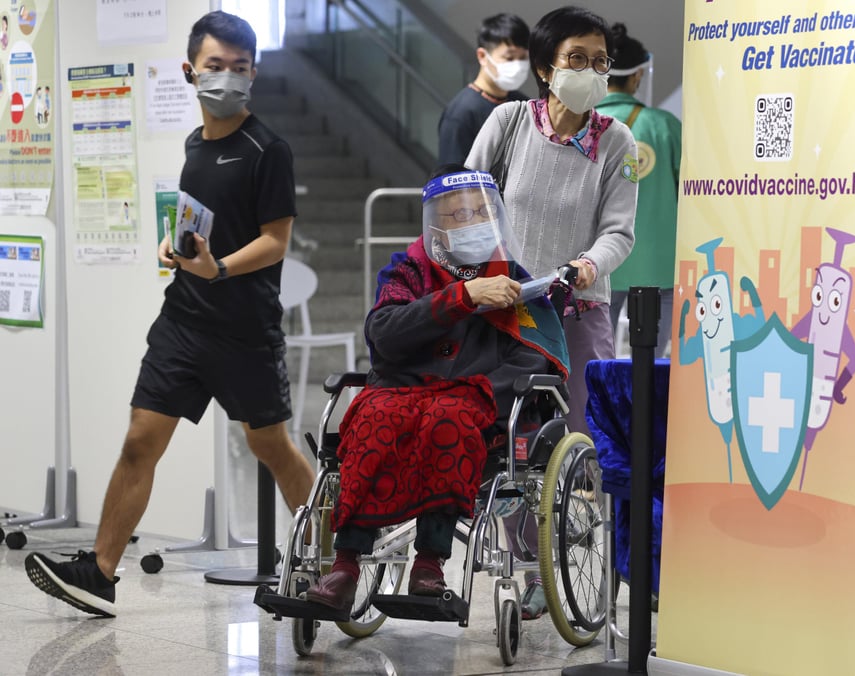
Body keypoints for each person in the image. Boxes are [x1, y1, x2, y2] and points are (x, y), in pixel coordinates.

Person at [24, 10, 315, 618]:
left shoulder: (269, 149)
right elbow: (199, 219)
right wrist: (175, 246)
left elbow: (275, 240)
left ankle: (331, 560)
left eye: (239, 69)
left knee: (272, 447)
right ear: (191, 71)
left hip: (244, 330)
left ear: (253, 74)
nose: (227, 79)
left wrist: (221, 268)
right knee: (140, 439)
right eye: (215, 67)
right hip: (184, 320)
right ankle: (100, 573)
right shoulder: (193, 144)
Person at [303, 167, 568, 616]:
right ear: (437, 226)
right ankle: (345, 565)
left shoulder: (514, 281)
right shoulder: (407, 270)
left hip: (471, 398)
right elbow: (383, 332)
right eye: (460, 214)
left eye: (483, 211)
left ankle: (429, 563)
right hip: (402, 390)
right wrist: (463, 295)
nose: (475, 221)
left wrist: (478, 389)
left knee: (450, 418)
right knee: (373, 417)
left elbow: (532, 357)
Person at [466, 5, 636, 620]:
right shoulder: (508, 124)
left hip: (576, 306)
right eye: (577, 59)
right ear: (545, 67)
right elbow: (469, 201)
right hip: (506, 308)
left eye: (600, 61)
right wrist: (479, 275)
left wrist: (588, 265)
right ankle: (529, 563)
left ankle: (588, 558)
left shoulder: (616, 142)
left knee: (581, 440)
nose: (591, 71)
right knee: (511, 442)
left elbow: (620, 232)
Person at [595, 22, 680, 358]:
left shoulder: (582, 126)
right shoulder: (664, 126)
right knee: (651, 361)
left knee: (595, 359)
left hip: (599, 264)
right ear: (637, 77)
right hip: (659, 266)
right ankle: (644, 410)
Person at [436, 13, 531, 166]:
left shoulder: (523, 105)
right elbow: (451, 178)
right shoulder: (462, 113)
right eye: (509, 57)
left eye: (523, 58)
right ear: (482, 56)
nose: (518, 65)